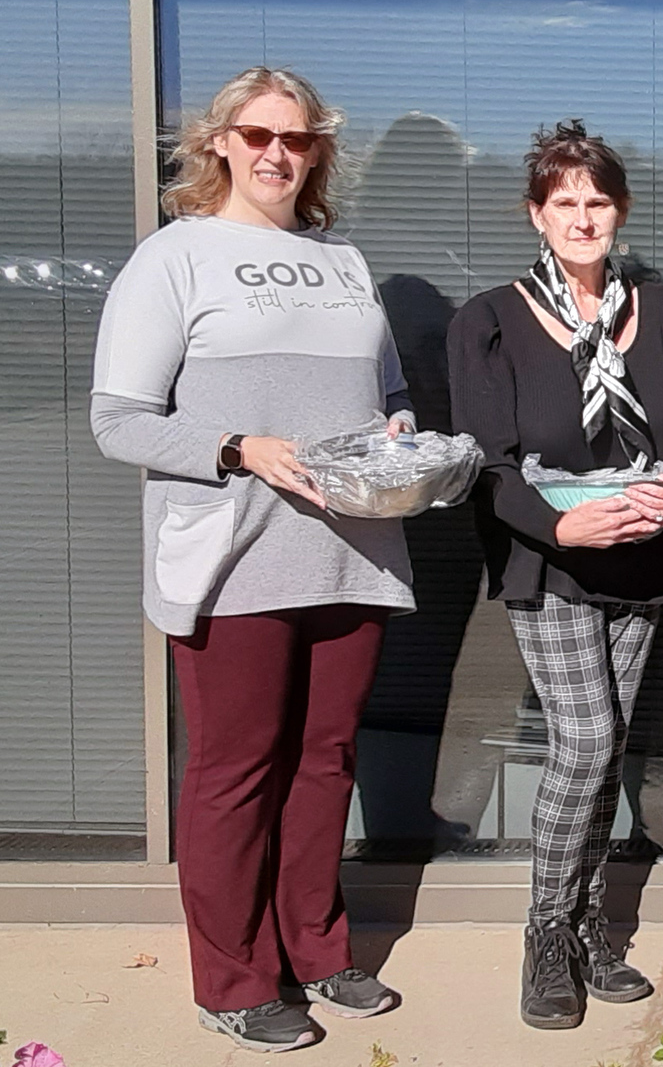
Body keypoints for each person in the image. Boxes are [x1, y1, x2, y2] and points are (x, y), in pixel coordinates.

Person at [90, 66, 410, 1053]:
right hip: (235, 561)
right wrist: (238, 450)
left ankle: (317, 951)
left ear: (319, 151)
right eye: (261, 135)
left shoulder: (345, 262)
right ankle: (233, 979)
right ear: (219, 141)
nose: (280, 154)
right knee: (236, 770)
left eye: (300, 138)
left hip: (353, 554)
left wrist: (401, 435)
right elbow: (119, 422)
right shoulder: (174, 257)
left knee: (326, 763)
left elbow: (386, 398)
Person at [447, 119, 663, 1031]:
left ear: (621, 211)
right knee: (587, 742)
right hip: (553, 557)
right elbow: (488, 462)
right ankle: (546, 936)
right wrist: (564, 520)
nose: (582, 216)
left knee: (605, 753)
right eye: (564, 202)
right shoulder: (487, 320)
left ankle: (593, 929)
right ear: (536, 215)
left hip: (644, 551)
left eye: (596, 201)